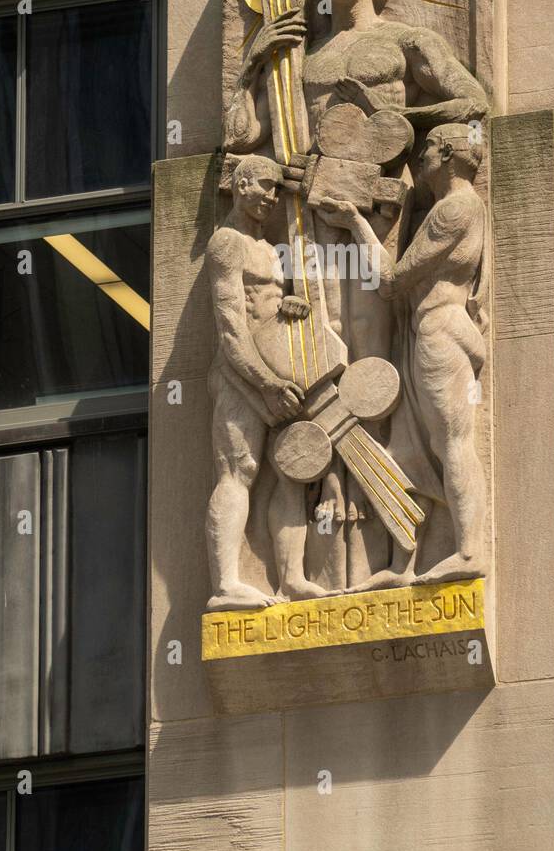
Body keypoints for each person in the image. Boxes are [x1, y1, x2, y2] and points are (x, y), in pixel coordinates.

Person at [319, 123, 488, 586]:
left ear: (449, 152)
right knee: (425, 444)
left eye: (430, 147)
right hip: (444, 331)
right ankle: (411, 557)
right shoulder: (469, 208)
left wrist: (355, 222)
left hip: (438, 333)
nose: (421, 156)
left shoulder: (450, 211)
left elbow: (392, 280)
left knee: (452, 444)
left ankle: (469, 552)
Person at [204, 155, 329, 608]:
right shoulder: (227, 242)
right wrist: (265, 382)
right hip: (242, 375)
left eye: (277, 189)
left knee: (292, 471)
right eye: (264, 186)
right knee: (239, 471)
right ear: (239, 185)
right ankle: (225, 585)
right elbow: (231, 327)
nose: (272, 197)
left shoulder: (270, 247)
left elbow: (271, 307)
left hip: (279, 373)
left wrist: (293, 302)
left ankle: (291, 577)